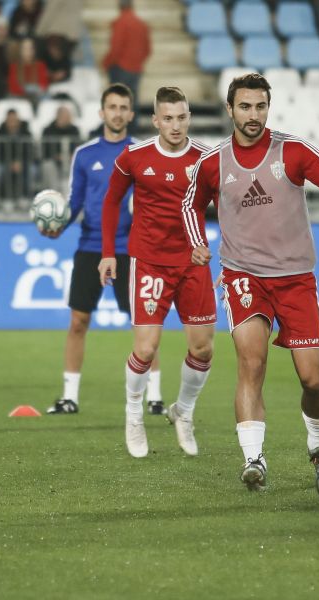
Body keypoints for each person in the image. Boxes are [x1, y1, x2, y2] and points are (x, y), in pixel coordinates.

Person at [181, 73, 319, 491]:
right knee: (252, 362)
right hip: (242, 275)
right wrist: (198, 244)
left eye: (260, 106)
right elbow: (190, 205)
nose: (253, 115)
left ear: (268, 107)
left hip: (296, 279)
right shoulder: (213, 162)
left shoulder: (293, 151)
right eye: (245, 107)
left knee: (313, 380)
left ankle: (317, 446)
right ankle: (254, 460)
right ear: (230, 109)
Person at [99, 87, 214, 458]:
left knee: (203, 348)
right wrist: (108, 253)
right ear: (155, 120)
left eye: (182, 117)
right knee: (146, 348)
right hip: (149, 262)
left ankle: (183, 411)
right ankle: (133, 415)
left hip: (193, 264)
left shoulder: (205, 160)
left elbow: (226, 207)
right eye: (168, 118)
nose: (175, 125)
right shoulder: (134, 157)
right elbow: (112, 201)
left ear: (189, 118)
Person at [44, 83, 163, 415]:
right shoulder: (85, 155)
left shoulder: (142, 152)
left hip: (130, 250)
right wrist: (57, 227)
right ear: (102, 112)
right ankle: (70, 397)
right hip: (90, 247)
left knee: (143, 323)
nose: (118, 113)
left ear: (130, 113)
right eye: (112, 107)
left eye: (124, 107)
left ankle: (154, 397)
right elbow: (75, 202)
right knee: (78, 321)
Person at [101, 1, 150, 108]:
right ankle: (133, 124)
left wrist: (105, 63)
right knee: (132, 102)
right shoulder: (141, 24)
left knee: (117, 103)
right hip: (136, 69)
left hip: (120, 68)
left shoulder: (120, 23)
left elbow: (116, 48)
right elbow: (147, 50)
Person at [40, 105, 80, 193]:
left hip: (70, 161)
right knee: (48, 165)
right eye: (66, 116)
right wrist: (56, 156)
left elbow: (79, 147)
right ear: (59, 116)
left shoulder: (74, 130)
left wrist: (71, 156)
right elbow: (45, 150)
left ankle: (73, 195)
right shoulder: (48, 130)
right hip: (53, 161)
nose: (69, 118)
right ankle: (55, 194)